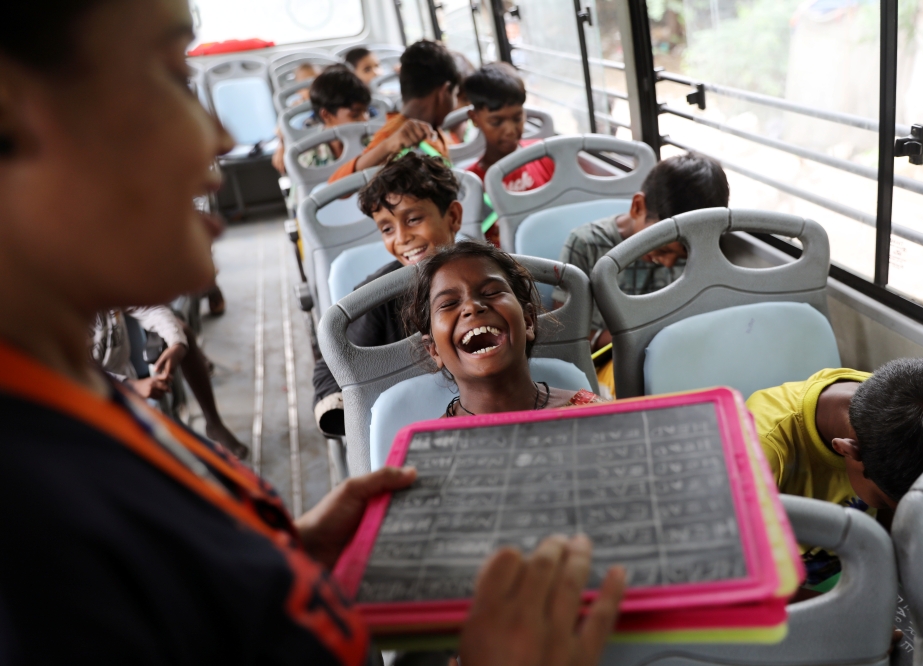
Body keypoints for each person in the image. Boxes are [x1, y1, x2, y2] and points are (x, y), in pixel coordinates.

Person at [0, 0, 626, 662]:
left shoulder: (84, 400)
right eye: (168, 75)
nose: (213, 135)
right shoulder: (31, 523)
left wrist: (282, 554)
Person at [746, 359, 923, 587]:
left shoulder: (894, 405)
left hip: (851, 558)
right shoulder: (753, 457)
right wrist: (852, 617)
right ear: (847, 451)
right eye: (884, 501)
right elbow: (731, 580)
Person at [551, 152, 729, 395]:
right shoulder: (586, 245)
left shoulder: (699, 248)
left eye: (679, 257)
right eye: (664, 248)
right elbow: (566, 333)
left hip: (674, 355)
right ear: (638, 206)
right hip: (608, 364)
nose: (668, 263)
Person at [312, 152, 463, 437]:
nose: (402, 238)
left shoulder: (496, 278)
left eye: (414, 219)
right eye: (387, 229)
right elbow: (332, 368)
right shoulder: (377, 297)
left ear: (453, 216)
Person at [402, 241, 604, 418]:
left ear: (528, 321)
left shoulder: (594, 413)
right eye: (449, 303)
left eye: (491, 292)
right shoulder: (432, 450)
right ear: (434, 350)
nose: (472, 307)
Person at [92, 306, 249, 459]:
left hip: (128, 395)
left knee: (182, 333)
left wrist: (176, 342)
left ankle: (213, 424)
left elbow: (147, 306)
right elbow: (74, 374)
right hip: (91, 406)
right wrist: (130, 385)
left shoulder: (99, 283)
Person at [328, 40, 460, 182]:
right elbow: (336, 184)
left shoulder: (436, 131)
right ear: (444, 92)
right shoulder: (393, 136)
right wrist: (387, 146)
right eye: (455, 95)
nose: (456, 103)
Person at [461, 62, 555, 246]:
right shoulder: (471, 184)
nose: (510, 130)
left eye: (517, 118)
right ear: (474, 118)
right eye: (496, 122)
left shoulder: (545, 156)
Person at [272, 66, 370, 176]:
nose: (364, 119)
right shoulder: (309, 158)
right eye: (355, 115)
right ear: (327, 115)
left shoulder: (372, 143)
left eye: (366, 112)